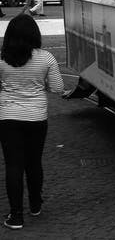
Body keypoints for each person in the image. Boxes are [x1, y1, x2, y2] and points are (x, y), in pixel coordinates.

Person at [0, 14, 64, 229]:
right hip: (37, 117)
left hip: (8, 117)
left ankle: (16, 215)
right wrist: (39, 87)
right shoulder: (46, 58)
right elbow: (57, 88)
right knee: (34, 162)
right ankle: (35, 204)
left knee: (13, 165)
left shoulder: (1, 58)